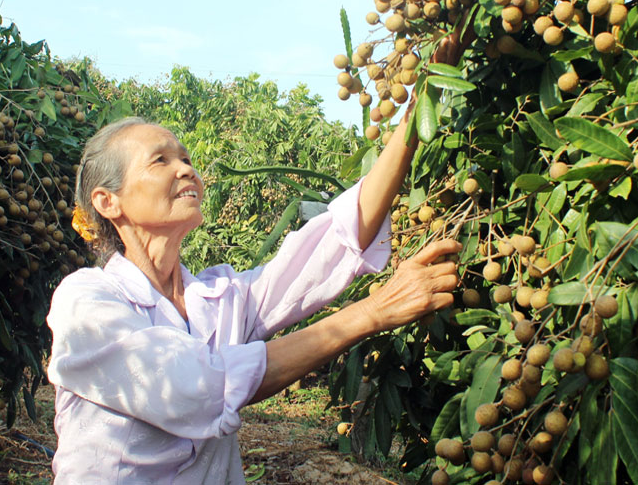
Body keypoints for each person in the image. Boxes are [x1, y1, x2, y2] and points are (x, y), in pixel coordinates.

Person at [46, 110, 460, 484]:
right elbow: (199, 385)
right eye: (161, 160)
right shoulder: (86, 303)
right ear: (108, 201)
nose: (186, 170)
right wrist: (373, 312)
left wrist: (417, 110)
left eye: (186, 159)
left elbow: (333, 243)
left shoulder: (218, 296)